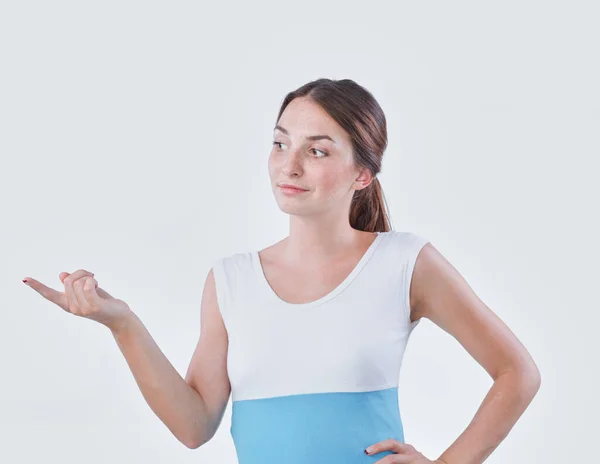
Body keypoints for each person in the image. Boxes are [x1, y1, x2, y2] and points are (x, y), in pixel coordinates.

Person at [23, 78, 541, 463]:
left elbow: (517, 373)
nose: (289, 165)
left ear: (362, 173)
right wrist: (122, 323)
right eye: (279, 143)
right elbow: (194, 424)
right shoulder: (230, 281)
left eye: (316, 150)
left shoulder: (404, 262)